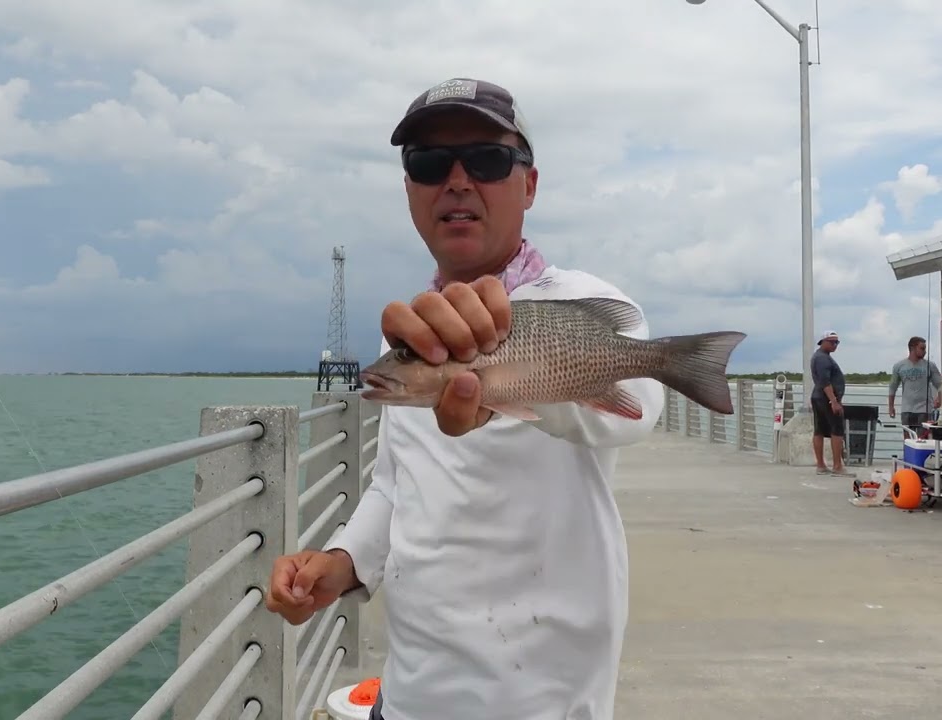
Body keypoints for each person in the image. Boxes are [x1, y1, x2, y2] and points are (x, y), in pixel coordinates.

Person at [263, 77, 665, 720]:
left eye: (486, 159)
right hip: (411, 695)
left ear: (528, 185)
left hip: (544, 700)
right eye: (427, 163)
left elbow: (640, 407)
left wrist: (509, 374)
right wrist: (340, 563)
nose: (456, 180)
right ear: (409, 191)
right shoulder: (415, 340)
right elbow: (397, 487)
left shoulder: (577, 300)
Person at [809, 330, 853, 477]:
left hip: (818, 397)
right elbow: (825, 381)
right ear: (823, 342)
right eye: (832, 342)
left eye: (837, 342)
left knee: (819, 430)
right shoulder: (822, 359)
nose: (835, 345)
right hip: (825, 398)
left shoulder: (821, 357)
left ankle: (821, 465)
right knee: (837, 430)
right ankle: (837, 466)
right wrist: (833, 401)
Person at [888, 335, 942, 435]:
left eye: (925, 349)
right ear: (912, 348)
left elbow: (940, 384)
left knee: (923, 439)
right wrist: (891, 406)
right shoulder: (899, 366)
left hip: (925, 409)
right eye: (922, 348)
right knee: (908, 439)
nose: (925, 351)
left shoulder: (930, 365)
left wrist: (939, 398)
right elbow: (893, 387)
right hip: (906, 409)